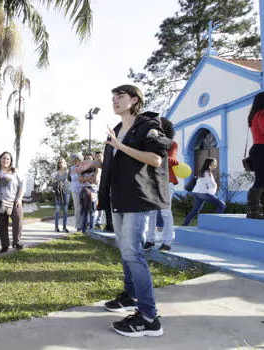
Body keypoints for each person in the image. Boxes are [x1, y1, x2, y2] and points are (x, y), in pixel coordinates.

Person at [78, 84, 171, 337]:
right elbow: (119, 158)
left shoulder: (147, 125)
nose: (114, 100)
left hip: (137, 198)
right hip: (118, 197)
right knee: (126, 250)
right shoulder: (118, 129)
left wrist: (120, 146)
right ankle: (131, 296)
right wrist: (95, 162)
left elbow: (156, 159)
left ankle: (150, 318)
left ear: (134, 100)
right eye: (113, 97)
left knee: (133, 253)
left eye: (120, 96)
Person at [144, 118, 178, 251]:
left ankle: (167, 242)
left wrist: (157, 158)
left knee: (165, 212)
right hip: (152, 181)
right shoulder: (150, 144)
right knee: (151, 213)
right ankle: (150, 240)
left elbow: (173, 160)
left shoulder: (172, 144)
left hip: (167, 180)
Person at [0, 152, 25, 253]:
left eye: (8, 159)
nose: (5, 161)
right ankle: (5, 245)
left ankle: (16, 242)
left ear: (11, 161)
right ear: (0, 159)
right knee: (2, 225)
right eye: (3, 158)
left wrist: (19, 198)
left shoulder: (15, 172)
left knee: (18, 221)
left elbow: (22, 186)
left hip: (14, 202)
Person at [182, 158, 226, 225]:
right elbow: (211, 184)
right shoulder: (206, 173)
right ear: (210, 164)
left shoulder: (203, 172)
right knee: (222, 205)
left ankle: (185, 223)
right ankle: (214, 223)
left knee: (195, 210)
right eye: (214, 163)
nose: (216, 164)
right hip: (204, 193)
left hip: (198, 193)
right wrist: (213, 194)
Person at [246, 92, 264, 219]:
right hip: (262, 149)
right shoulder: (262, 114)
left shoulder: (254, 115)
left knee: (261, 180)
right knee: (260, 181)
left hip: (257, 148)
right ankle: (253, 211)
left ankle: (254, 210)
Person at [52, 158, 71, 233]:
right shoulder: (56, 172)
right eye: (59, 162)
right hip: (58, 193)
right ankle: (56, 227)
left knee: (65, 210)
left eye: (62, 162)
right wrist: (56, 182)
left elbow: (70, 180)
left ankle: (64, 227)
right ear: (58, 164)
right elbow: (52, 180)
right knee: (57, 209)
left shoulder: (68, 171)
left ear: (65, 163)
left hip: (66, 191)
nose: (61, 164)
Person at [69, 153, 84, 231]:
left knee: (83, 207)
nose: (74, 162)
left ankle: (84, 224)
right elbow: (74, 179)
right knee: (78, 208)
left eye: (76, 160)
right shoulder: (72, 168)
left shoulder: (84, 167)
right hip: (75, 190)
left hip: (83, 189)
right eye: (73, 160)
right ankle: (78, 225)